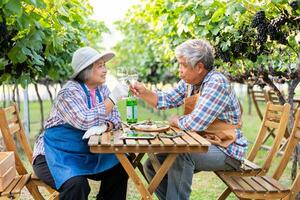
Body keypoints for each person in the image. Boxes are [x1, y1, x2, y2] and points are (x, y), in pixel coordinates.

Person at [131, 39, 248, 200]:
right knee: (152, 165)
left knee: (182, 154)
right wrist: (143, 92)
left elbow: (195, 123)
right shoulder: (190, 83)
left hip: (227, 151)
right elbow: (165, 99)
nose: (180, 70)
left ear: (199, 67)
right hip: (205, 143)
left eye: (183, 65)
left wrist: (176, 121)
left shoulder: (216, 83)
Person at [32, 47, 129, 200]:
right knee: (76, 184)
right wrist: (112, 99)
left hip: (83, 152)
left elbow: (116, 120)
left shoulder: (102, 89)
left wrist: (104, 126)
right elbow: (84, 120)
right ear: (86, 70)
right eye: (100, 66)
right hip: (52, 155)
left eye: (104, 65)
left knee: (122, 163)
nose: (105, 70)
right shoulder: (68, 93)